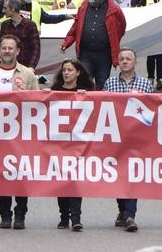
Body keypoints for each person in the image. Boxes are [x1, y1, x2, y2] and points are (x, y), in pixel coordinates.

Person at [0, 35, 38, 230]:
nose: (7, 51)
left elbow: (38, 103)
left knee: (21, 175)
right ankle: (5, 213)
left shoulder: (28, 74)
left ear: (18, 51)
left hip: (21, 134)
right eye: (4, 48)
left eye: (11, 48)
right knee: (2, 174)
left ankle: (20, 213)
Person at [102, 48, 154, 232]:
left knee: (132, 176)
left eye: (128, 59)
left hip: (137, 139)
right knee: (119, 176)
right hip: (115, 138)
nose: (124, 61)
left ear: (135, 63)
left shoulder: (145, 84)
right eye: (122, 59)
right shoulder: (109, 83)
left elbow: (153, 108)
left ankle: (130, 215)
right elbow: (100, 107)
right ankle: (122, 210)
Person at [50, 58, 95, 231]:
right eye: (64, 70)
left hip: (79, 143)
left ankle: (76, 217)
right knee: (62, 181)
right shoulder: (55, 90)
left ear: (78, 72)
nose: (66, 73)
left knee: (75, 181)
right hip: (59, 142)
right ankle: (64, 217)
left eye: (69, 70)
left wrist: (87, 97)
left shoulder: (87, 91)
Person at [60, 0, 127, 88]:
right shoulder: (84, 6)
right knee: (84, 81)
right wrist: (66, 42)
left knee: (102, 82)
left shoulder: (114, 10)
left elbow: (121, 27)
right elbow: (76, 27)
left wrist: (112, 40)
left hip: (104, 54)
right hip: (86, 53)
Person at [0, 0, 41, 69]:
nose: (3, 11)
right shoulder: (4, 25)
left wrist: (31, 67)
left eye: (5, 8)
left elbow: (36, 48)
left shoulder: (30, 25)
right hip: (7, 67)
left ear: (13, 9)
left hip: (25, 68)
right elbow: (1, 46)